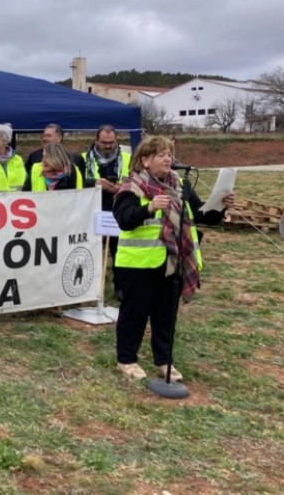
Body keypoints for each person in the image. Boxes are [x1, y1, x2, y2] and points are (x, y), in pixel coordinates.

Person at [113, 135, 234, 381]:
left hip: (173, 261)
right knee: (134, 314)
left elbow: (202, 216)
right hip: (138, 263)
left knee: (166, 315)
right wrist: (148, 207)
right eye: (161, 154)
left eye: (170, 153)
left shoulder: (181, 185)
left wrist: (221, 205)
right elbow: (124, 219)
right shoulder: (132, 186)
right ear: (145, 160)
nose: (168, 158)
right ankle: (126, 360)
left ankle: (163, 360)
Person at [22, 123, 86, 191]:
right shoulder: (34, 156)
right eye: (44, 136)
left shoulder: (75, 159)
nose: (44, 138)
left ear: (59, 138)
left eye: (48, 136)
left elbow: (82, 184)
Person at [82, 125, 131, 211]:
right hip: (91, 210)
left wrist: (123, 188)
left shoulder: (129, 159)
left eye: (111, 143)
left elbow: (140, 184)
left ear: (116, 141)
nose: (108, 146)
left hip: (121, 211)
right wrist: (94, 183)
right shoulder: (82, 159)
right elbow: (74, 185)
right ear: (96, 141)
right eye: (104, 143)